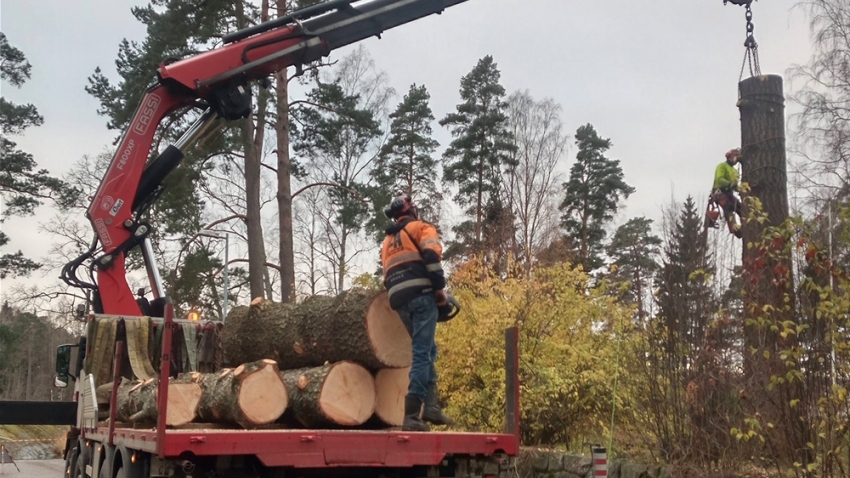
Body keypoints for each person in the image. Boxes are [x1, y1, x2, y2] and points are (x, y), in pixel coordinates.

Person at [380, 194, 454, 431]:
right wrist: (439, 290)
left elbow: (387, 275)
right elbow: (432, 257)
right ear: (413, 211)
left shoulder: (387, 241)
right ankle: (411, 415)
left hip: (399, 300)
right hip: (422, 296)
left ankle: (431, 406)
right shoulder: (423, 228)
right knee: (423, 353)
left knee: (429, 349)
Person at [711, 148, 744, 238]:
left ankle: (745, 226)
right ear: (730, 156)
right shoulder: (721, 166)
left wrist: (741, 190)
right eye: (735, 156)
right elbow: (719, 179)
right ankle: (734, 228)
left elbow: (735, 186)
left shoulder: (735, 171)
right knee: (728, 207)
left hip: (729, 193)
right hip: (720, 192)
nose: (736, 159)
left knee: (741, 208)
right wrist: (729, 184)